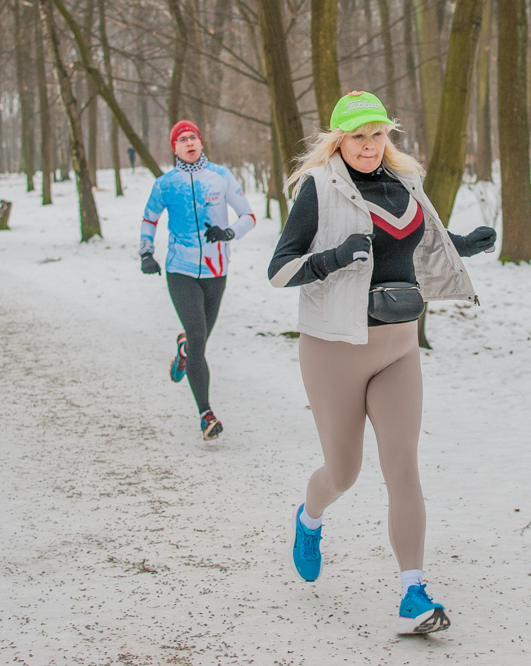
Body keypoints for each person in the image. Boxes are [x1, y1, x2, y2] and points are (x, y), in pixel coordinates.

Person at [268, 91, 496, 635]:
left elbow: (418, 244)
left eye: (377, 135)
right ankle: (309, 517)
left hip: (397, 345)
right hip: (333, 349)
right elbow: (279, 270)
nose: (369, 146)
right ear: (338, 140)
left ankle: (412, 593)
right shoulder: (318, 189)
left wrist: (463, 244)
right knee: (343, 472)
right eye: (358, 136)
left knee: (403, 469)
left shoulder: (406, 183)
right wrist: (334, 257)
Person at [141, 120, 256, 440]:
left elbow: (249, 215)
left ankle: (183, 352)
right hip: (181, 270)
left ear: (201, 142)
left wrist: (228, 232)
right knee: (196, 334)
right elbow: (149, 219)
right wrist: (146, 253)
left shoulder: (221, 176)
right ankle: (206, 414)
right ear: (174, 147)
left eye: (194, 137)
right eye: (182, 139)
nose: (189, 143)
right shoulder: (166, 184)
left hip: (217, 270)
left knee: (199, 341)